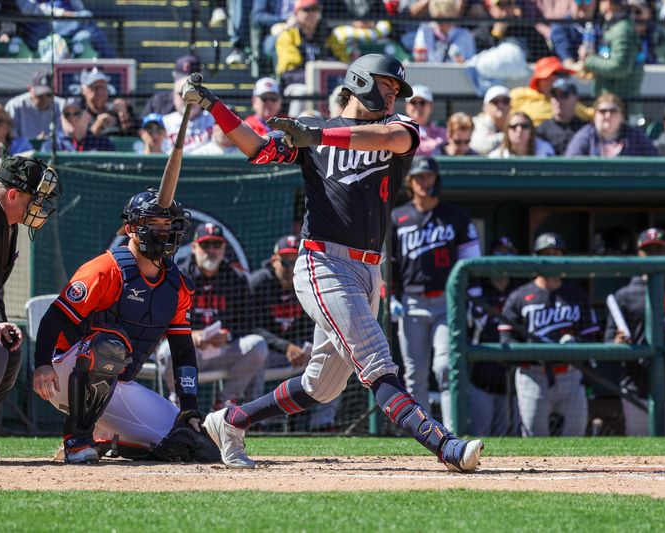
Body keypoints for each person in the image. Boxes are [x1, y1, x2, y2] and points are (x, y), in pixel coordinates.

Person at [181, 53, 484, 471]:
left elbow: (388, 139)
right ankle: (443, 445)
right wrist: (213, 104)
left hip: (367, 269)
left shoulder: (398, 129)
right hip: (323, 263)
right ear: (359, 82)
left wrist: (318, 136)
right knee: (378, 361)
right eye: (386, 86)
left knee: (320, 387)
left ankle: (231, 421)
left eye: (396, 89)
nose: (393, 95)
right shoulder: (313, 131)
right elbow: (254, 147)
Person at [32, 189, 219, 464]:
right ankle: (78, 440)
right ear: (131, 229)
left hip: (119, 384)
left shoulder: (177, 285)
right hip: (66, 374)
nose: (162, 231)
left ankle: (110, 441)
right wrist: (42, 363)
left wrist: (189, 409)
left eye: (167, 224)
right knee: (110, 345)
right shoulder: (105, 269)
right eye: (153, 223)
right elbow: (54, 316)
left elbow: (182, 350)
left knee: (196, 447)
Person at [390, 156, 481, 431]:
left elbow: (470, 263)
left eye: (428, 177)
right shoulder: (397, 217)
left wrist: (473, 301)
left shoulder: (455, 216)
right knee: (415, 374)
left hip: (446, 302)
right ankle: (423, 432)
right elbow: (388, 264)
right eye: (418, 177)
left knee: (445, 367)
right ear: (410, 182)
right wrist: (390, 297)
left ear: (436, 180)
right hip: (411, 302)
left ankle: (451, 433)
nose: (423, 182)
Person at [0, 155, 60, 462]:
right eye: (34, 197)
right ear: (12, 194)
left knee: (10, 350)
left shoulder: (6, 223)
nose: (40, 204)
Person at [500, 232, 600, 437]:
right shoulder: (519, 297)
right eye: (546, 254)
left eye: (556, 253)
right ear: (536, 259)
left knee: (576, 437)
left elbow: (592, 337)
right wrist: (531, 352)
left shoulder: (576, 294)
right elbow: (506, 341)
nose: (552, 258)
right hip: (533, 374)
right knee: (533, 438)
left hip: (570, 373)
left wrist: (576, 343)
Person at [160, 223, 269, 406]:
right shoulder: (179, 275)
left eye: (216, 245)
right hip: (189, 350)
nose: (211, 250)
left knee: (258, 346)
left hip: (223, 350)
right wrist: (189, 334)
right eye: (205, 245)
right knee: (166, 350)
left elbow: (249, 321)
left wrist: (228, 334)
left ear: (224, 248)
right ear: (194, 247)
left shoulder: (237, 278)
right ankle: (179, 401)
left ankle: (225, 402)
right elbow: (163, 317)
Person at [605, 228, 665, 436]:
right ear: (639, 254)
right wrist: (618, 342)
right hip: (637, 385)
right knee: (640, 452)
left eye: (659, 249)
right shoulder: (625, 295)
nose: (654, 254)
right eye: (649, 250)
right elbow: (608, 342)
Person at [249, 234, 340, 431]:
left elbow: (317, 322)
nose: (290, 268)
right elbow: (249, 327)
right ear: (274, 261)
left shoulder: (309, 283)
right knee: (255, 349)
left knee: (333, 358)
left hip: (298, 352)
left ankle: (322, 424)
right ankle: (255, 422)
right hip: (269, 353)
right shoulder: (258, 282)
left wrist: (303, 348)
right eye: (285, 262)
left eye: (295, 261)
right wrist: (285, 347)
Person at [467, 236, 518, 437]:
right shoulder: (478, 291)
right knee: (480, 435)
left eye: (508, 252)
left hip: (512, 378)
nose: (503, 257)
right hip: (481, 376)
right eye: (499, 251)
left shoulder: (520, 292)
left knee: (510, 436)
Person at [573, 0, 644, 116]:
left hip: (622, 109)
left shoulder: (622, 30)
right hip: (610, 106)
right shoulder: (614, 27)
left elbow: (620, 67)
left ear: (608, 4)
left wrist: (589, 60)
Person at [509, 56, 593, 127]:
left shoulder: (566, 100)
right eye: (555, 74)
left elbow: (590, 114)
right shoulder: (519, 95)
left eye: (561, 74)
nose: (558, 79)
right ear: (540, 79)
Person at [565, 92, 657, 156]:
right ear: (595, 115)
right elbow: (571, 164)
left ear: (622, 116)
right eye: (602, 111)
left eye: (613, 111)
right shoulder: (585, 136)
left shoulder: (635, 136)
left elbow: (653, 160)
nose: (607, 115)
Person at [4, 70, 65, 141]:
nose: (44, 99)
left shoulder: (61, 105)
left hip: (53, 150)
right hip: (22, 151)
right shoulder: (15, 106)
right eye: (40, 95)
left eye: (48, 94)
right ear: (30, 89)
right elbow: (10, 140)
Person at [41, 97, 116, 153]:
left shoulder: (102, 143)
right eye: (67, 114)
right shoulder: (52, 144)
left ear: (87, 117)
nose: (71, 118)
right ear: (61, 119)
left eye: (76, 113)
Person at [79, 67, 137, 137]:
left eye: (103, 87)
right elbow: (77, 143)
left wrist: (124, 116)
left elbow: (136, 138)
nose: (100, 92)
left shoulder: (118, 110)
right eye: (96, 88)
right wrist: (97, 126)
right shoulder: (77, 113)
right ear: (83, 90)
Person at [412, 0, 476, 63]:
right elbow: (418, 58)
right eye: (438, 19)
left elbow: (471, 64)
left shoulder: (465, 35)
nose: (442, 24)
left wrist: (462, 63)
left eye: (446, 19)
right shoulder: (425, 31)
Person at [164, 75, 215, 154]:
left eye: (193, 94)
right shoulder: (164, 122)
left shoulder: (213, 120)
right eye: (182, 94)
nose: (187, 99)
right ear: (174, 97)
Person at [536, 78, 587, 155]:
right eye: (554, 95)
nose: (558, 100)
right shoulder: (541, 130)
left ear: (576, 99)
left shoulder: (585, 129)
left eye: (564, 95)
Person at [550, 0, 599, 67]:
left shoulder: (602, 25)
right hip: (568, 75)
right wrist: (583, 63)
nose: (582, 4)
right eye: (578, 0)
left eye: (587, 0)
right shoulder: (560, 25)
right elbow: (567, 62)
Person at [489, 111, 555, 157]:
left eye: (524, 126)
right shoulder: (496, 157)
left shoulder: (545, 150)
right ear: (507, 131)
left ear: (531, 130)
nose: (519, 130)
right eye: (514, 126)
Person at [405, 85, 446, 156]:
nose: (418, 106)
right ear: (406, 106)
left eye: (422, 102)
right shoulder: (400, 129)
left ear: (431, 106)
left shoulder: (442, 132)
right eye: (413, 102)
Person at [470, 85, 511, 155]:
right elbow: (479, 146)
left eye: (505, 101)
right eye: (495, 102)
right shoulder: (477, 123)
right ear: (485, 107)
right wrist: (507, 137)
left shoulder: (516, 123)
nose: (501, 105)